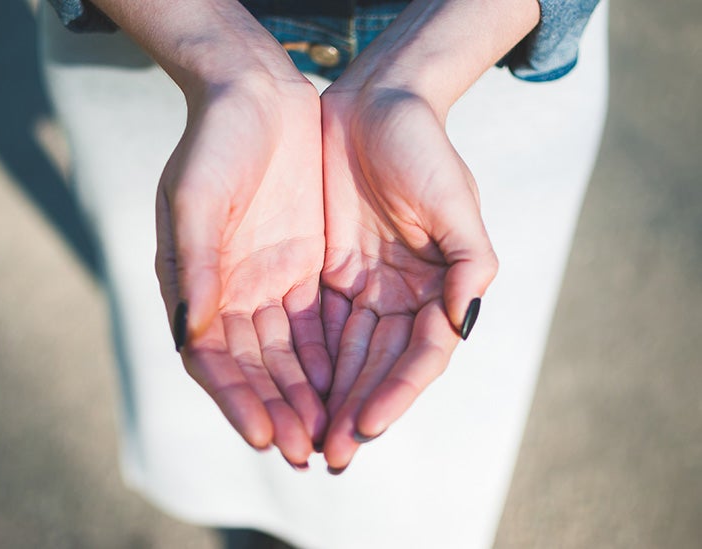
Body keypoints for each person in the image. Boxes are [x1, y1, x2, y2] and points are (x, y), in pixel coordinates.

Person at [41, 0, 607, 547]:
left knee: (421, 463)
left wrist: (423, 65)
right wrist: (209, 43)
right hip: (159, 42)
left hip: (483, 55)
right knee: (215, 406)